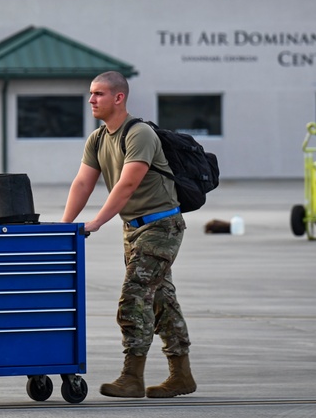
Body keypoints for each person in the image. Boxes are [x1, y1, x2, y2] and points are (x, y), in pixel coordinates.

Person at [61, 71, 196, 399]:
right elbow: (83, 183)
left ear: (119, 98)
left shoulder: (140, 134)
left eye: (99, 94)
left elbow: (128, 183)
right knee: (162, 300)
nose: (91, 100)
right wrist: (65, 225)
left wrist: (95, 222)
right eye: (91, 94)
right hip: (134, 229)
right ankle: (182, 375)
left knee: (134, 296)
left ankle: (131, 376)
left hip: (161, 227)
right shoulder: (98, 139)